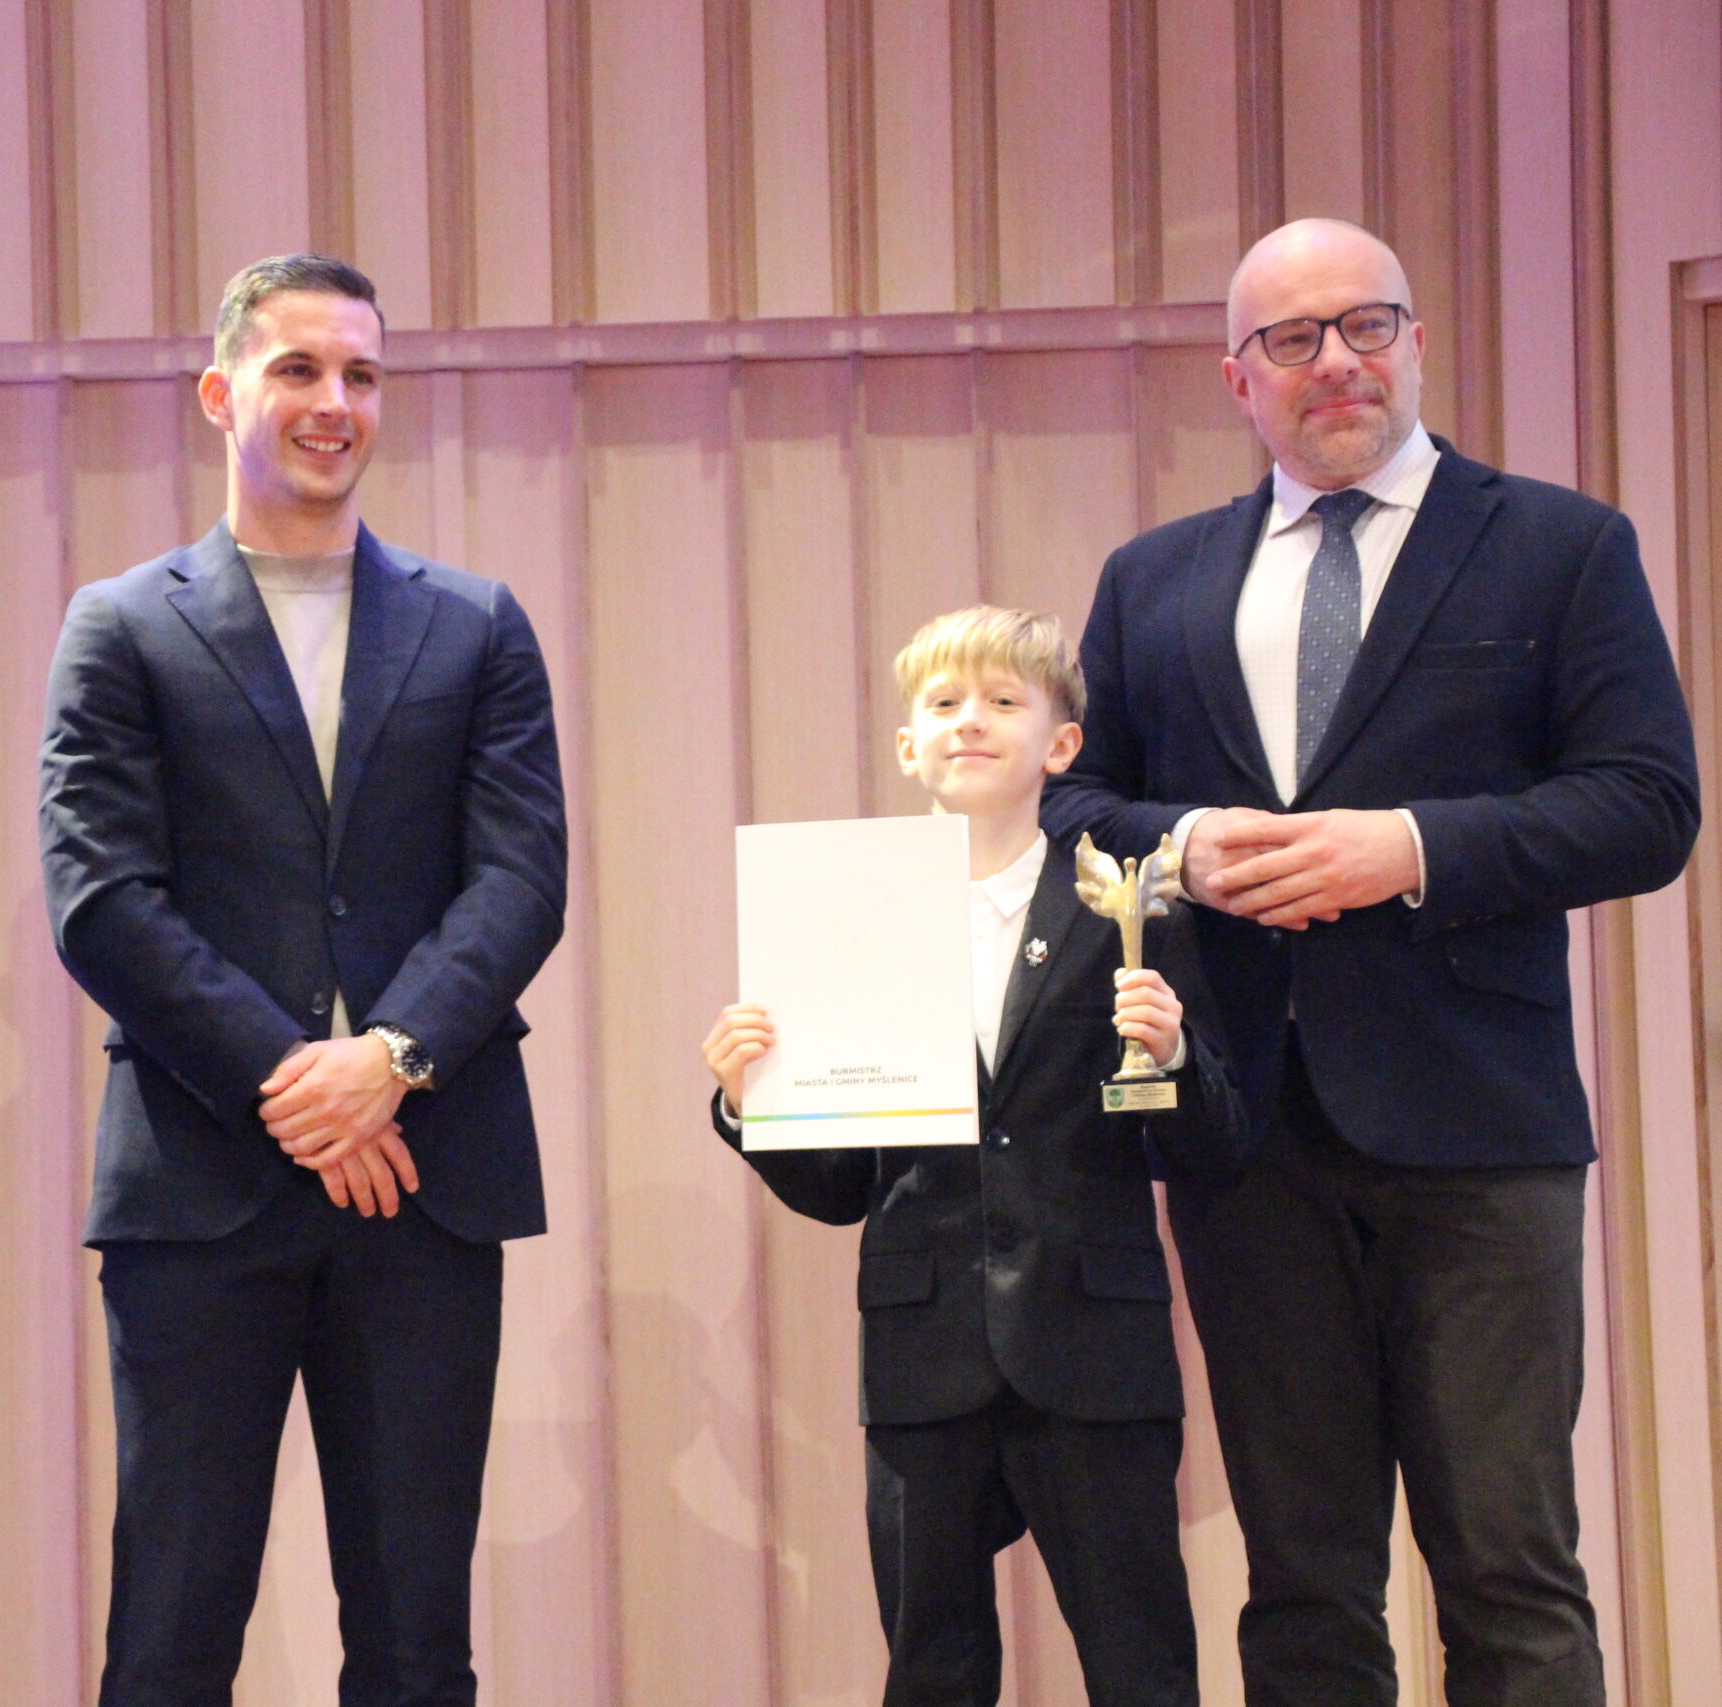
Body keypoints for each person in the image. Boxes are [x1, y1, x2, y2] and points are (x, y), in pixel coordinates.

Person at [1041, 217, 1699, 1705]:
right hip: (1246, 1138)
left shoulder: (1559, 546)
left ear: (1415, 341)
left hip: (1480, 1137)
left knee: (1510, 1571)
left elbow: (1647, 803)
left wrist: (1409, 847)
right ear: (1239, 377)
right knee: (1302, 1579)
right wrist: (1187, 847)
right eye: (1293, 337)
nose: (1335, 359)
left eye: (1366, 325)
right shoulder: (1153, 578)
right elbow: (1074, 806)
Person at [38, 253, 565, 1705]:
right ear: (221, 393)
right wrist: (297, 1080)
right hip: (201, 1178)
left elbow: (521, 881)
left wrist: (387, 1060)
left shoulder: (475, 623)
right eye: (299, 369)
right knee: (171, 1626)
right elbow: (101, 898)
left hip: (426, 1173)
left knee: (415, 1638)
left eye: (362, 374)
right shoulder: (122, 623)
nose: (336, 401)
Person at [705, 606, 1250, 1705]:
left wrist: (1175, 1052)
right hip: (923, 1350)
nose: (970, 722)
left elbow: (1217, 1143)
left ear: (1060, 743)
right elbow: (839, 1189)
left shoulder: (1128, 908)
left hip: (1094, 1346)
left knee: (1143, 1668)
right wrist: (744, 1101)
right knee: (932, 1673)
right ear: (907, 744)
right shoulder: (848, 919)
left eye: (1003, 701)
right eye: (945, 703)